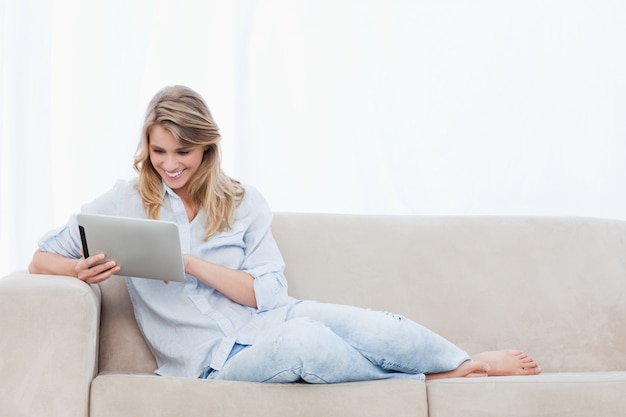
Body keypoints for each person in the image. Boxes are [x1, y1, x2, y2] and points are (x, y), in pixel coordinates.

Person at [29, 85, 541, 382]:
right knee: (306, 344)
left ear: (205, 149)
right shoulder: (123, 199)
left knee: (384, 327)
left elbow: (269, 293)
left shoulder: (242, 201)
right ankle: (440, 380)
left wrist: (188, 263)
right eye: (159, 151)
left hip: (274, 315)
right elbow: (39, 259)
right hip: (207, 361)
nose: (169, 165)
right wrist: (78, 269)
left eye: (181, 153)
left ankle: (466, 362)